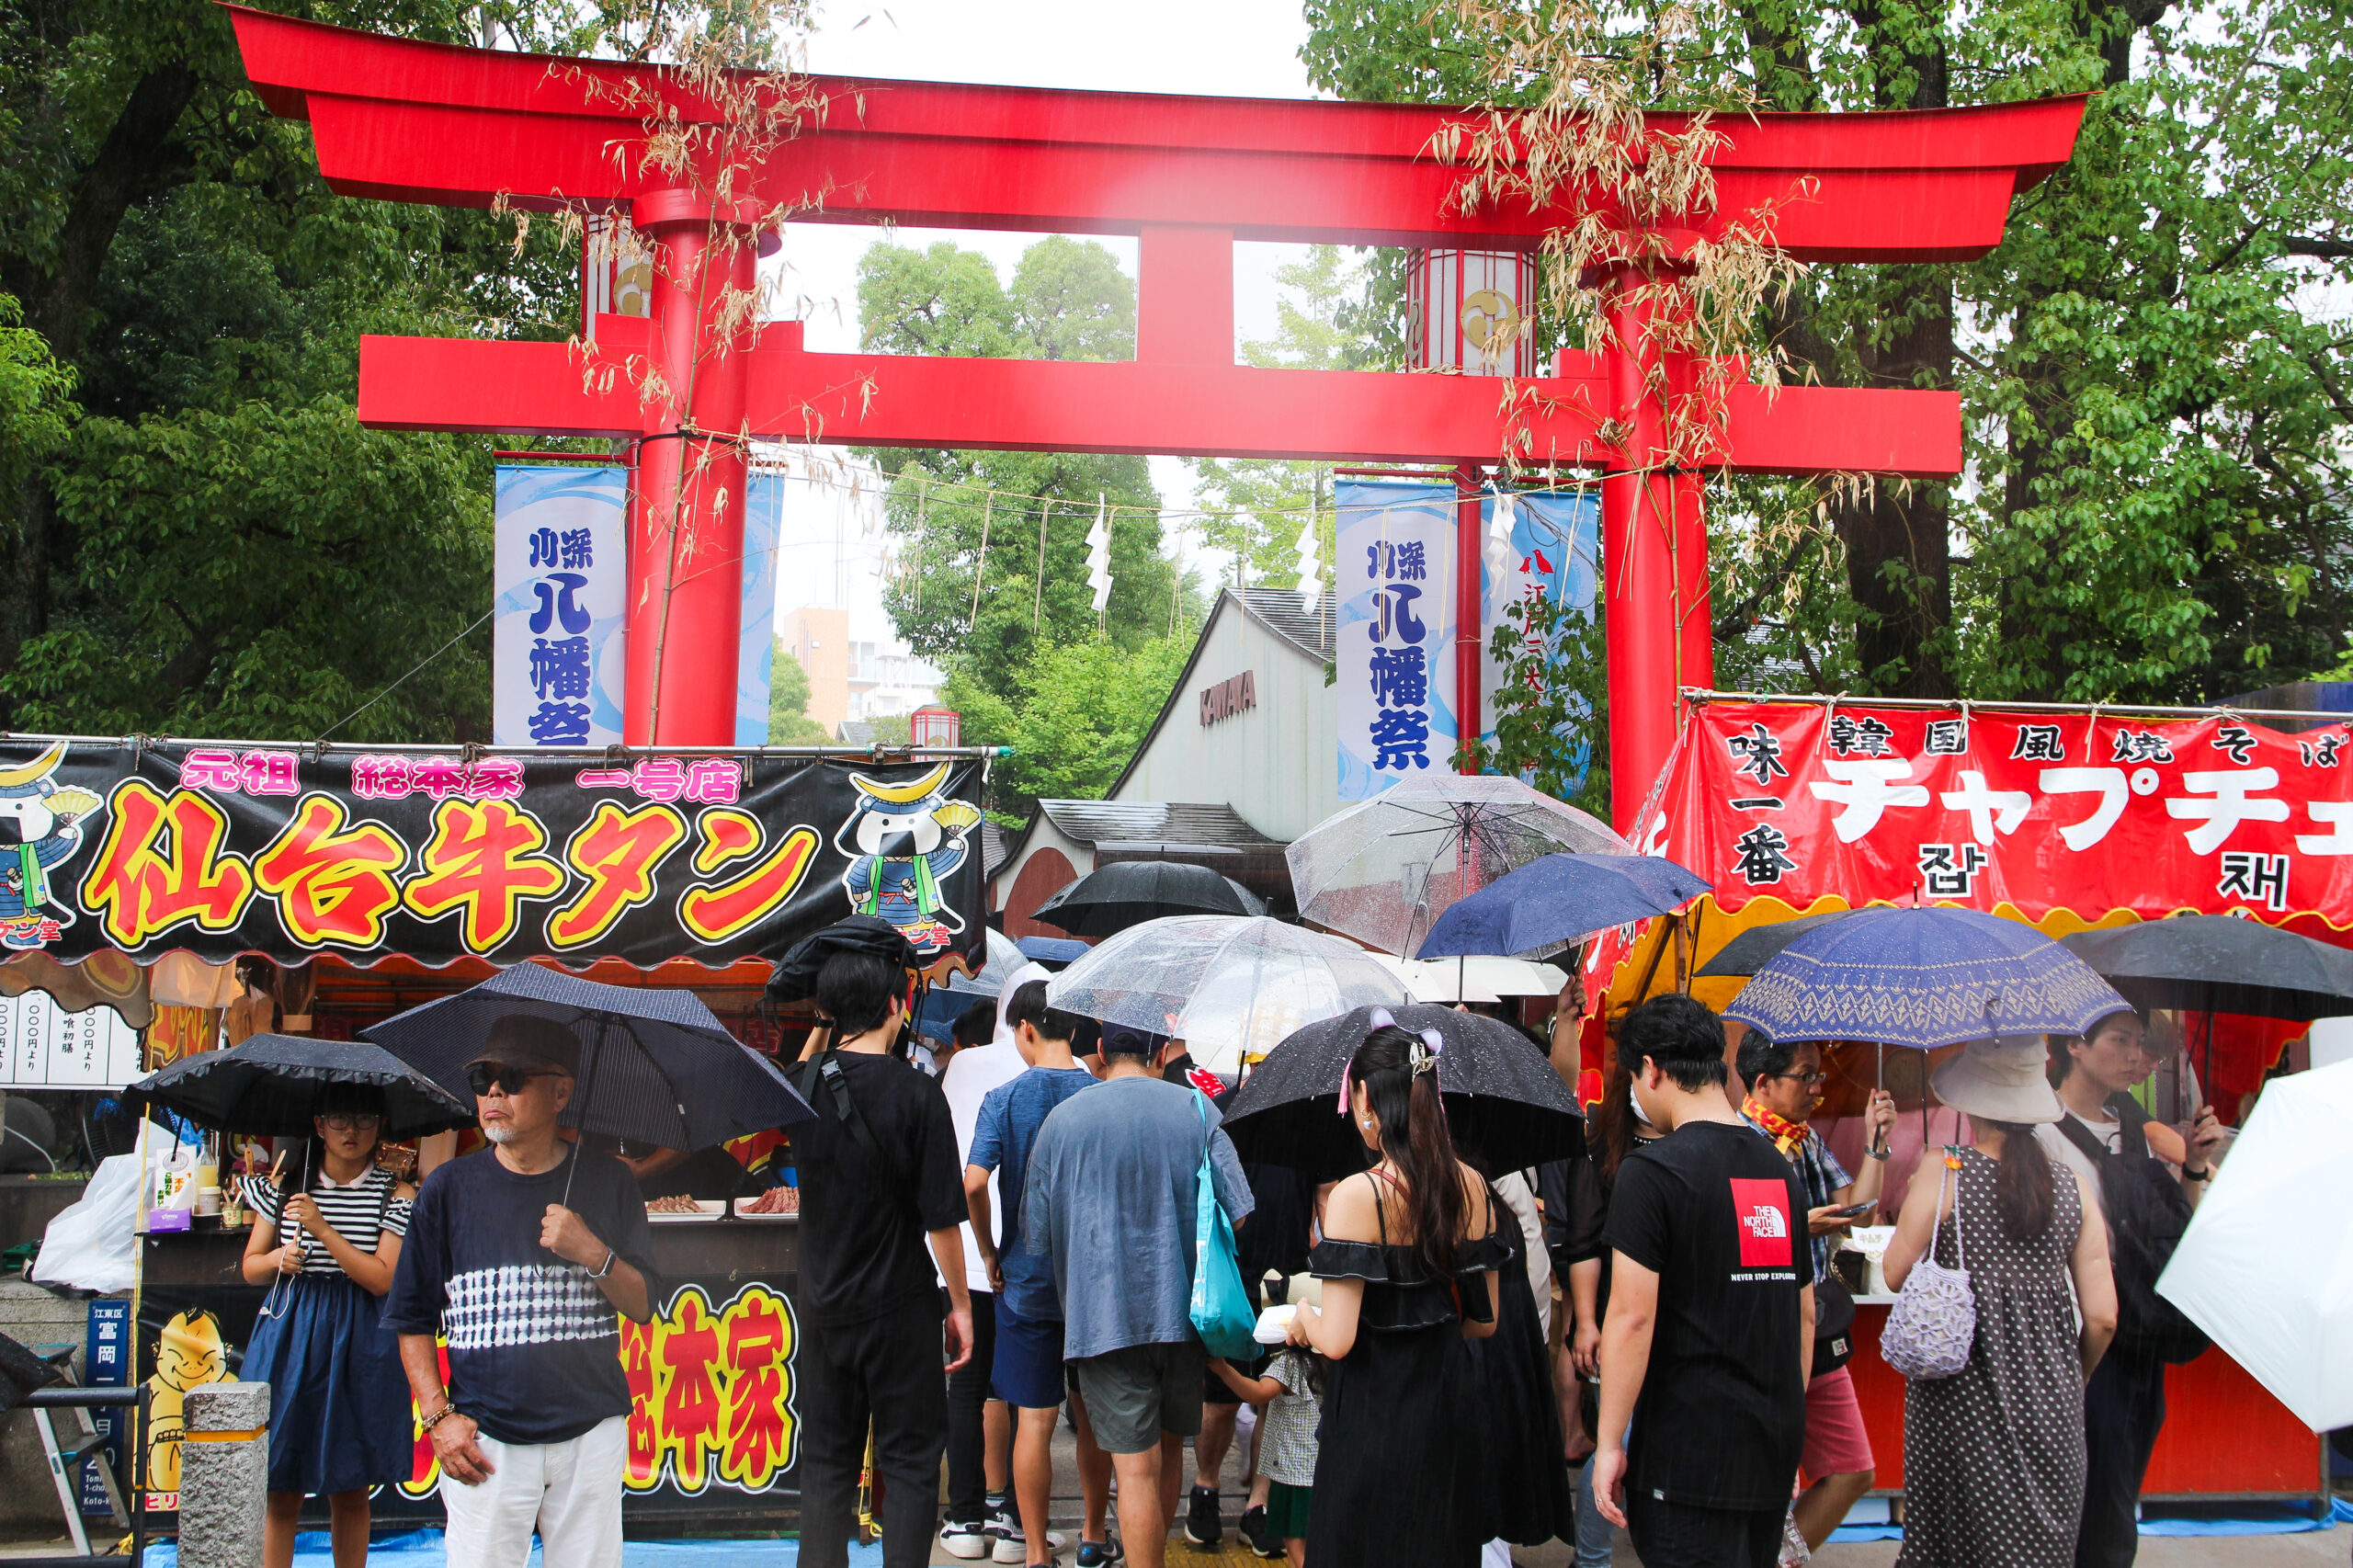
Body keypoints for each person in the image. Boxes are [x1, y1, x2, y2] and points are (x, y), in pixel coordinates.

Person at [382, 1016, 660, 1568]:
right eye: (483, 1078)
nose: (492, 1092)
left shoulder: (610, 1183)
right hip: (486, 1438)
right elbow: (411, 1318)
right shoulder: (447, 1190)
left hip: (591, 1432)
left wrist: (591, 1251)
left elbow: (644, 1305)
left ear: (561, 1092)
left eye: (511, 1077)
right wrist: (439, 1418)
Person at [1020, 1020, 1255, 1568]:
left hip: (1101, 1318)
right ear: (1161, 1053)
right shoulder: (1198, 1111)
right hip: (1185, 1316)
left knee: (1134, 1469)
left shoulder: (1063, 1121)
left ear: (1100, 1052)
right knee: (1171, 1449)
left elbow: (1037, 1234)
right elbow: (1239, 1214)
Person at [1592, 994, 1813, 1568]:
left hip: (1687, 1456)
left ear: (1654, 1070)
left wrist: (1610, 1443)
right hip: (1770, 1448)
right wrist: (1786, 1431)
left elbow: (1631, 1318)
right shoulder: (1778, 1170)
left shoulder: (1654, 1171)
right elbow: (1803, 1316)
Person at [1884, 1036, 2118, 1568]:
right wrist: (2070, 1379)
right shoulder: (2072, 1185)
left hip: (1958, 1406)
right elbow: (2103, 1317)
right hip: (2051, 1406)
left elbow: (1896, 1272)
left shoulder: (1946, 1170)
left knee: (1952, 1551)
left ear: (1970, 1100)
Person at [1289, 1017, 1504, 1568]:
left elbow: (1336, 1340)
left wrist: (1304, 1318)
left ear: (1364, 1098)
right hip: (1447, 1412)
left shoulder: (1357, 1196)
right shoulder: (1473, 1186)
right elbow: (1484, 1321)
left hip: (1373, 1415)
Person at [790, 941, 974, 1568]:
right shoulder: (919, 1094)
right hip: (899, 1309)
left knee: (825, 1467)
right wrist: (961, 1307)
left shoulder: (800, 1089)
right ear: (897, 1006)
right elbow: (943, 1221)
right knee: (912, 1464)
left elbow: (802, 1071)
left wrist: (822, 1026)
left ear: (832, 1012)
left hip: (821, 1308)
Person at [2040, 1009, 2222, 1568]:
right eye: (2120, 1041)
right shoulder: (2041, 1133)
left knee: (2116, 1500)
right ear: (2075, 1044)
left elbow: (2164, 1236)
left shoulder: (2135, 1133)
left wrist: (2193, 1169)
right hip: (2076, 1344)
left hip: (2140, 1338)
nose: (2133, 1057)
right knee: (2084, 1508)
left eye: (2138, 1044)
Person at [238, 1085, 415, 1568]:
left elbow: (382, 1279)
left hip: (360, 1333)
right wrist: (278, 1257)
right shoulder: (284, 1188)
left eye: (364, 1119)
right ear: (319, 1125)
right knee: (280, 1482)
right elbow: (251, 1266)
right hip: (290, 1330)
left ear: (380, 1127)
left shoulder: (396, 1194)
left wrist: (322, 1231)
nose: (351, 1131)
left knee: (352, 1483)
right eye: (339, 1119)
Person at [1736, 1031, 1898, 1551]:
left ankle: (1777, 1560)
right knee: (1765, 1477)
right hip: (1762, 1337)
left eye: (1818, 1076)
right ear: (1763, 1083)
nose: (1816, 1089)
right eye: (1805, 1077)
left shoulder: (1805, 1139)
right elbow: (1734, 1245)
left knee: (1853, 1471)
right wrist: (1801, 1227)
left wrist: (1876, 1142)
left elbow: (1861, 1211)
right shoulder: (1737, 1144)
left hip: (1816, 1325)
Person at [966, 981, 1103, 1568]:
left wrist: (991, 1251)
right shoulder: (1100, 1096)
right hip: (1096, 1284)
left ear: (1024, 1030)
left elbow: (973, 1182)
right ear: (1072, 1031)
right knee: (1095, 1413)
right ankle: (1095, 1535)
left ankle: (1034, 1556)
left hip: (1025, 1278)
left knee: (1034, 1422)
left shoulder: (1003, 1098)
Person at [939, 982, 1034, 1562]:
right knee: (1027, 1394)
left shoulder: (964, 1065)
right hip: (1027, 1261)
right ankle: (1017, 1522)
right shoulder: (1066, 1070)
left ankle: (966, 1516)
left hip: (967, 1261)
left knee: (966, 1391)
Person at [1208, 1337, 1324, 1568]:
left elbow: (1259, 1393)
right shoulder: (1329, 1361)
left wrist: (1223, 1369)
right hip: (1320, 1473)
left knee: (1298, 1552)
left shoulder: (1289, 1363)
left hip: (1292, 1478)